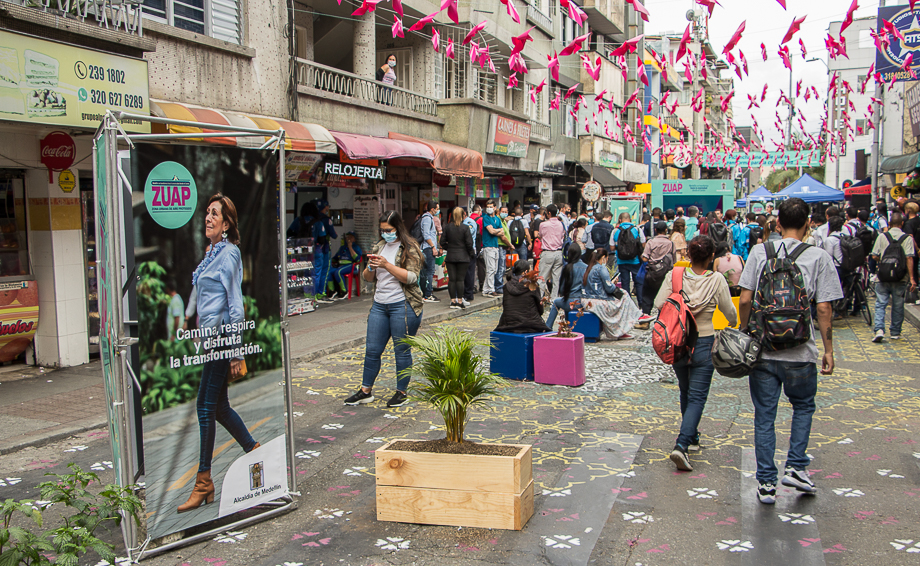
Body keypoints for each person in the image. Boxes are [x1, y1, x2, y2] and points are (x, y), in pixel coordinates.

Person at [738, 197, 842, 505]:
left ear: (778, 223)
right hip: (800, 351)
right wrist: (828, 350)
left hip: (764, 352)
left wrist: (746, 333)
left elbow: (745, 299)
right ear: (809, 223)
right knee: (804, 407)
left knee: (764, 416)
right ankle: (796, 466)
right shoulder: (818, 256)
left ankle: (767, 483)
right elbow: (823, 308)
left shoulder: (760, 252)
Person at [178, 194, 259, 513]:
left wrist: (236, 351)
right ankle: (254, 450)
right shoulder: (211, 252)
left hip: (222, 337)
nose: (208, 218)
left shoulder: (229, 254)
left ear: (226, 224)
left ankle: (203, 481)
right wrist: (186, 318)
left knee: (204, 406)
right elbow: (198, 288)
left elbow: (235, 304)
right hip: (206, 337)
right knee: (220, 407)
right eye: (207, 213)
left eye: (215, 214)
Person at [657, 236, 737, 471]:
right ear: (712, 256)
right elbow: (729, 313)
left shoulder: (675, 275)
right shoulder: (716, 280)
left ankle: (691, 437)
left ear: (688, 255)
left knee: (685, 390)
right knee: (698, 396)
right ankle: (681, 445)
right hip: (704, 341)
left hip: (678, 341)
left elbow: (659, 303)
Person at [344, 211, 424, 408]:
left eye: (389, 230)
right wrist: (370, 267)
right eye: (382, 230)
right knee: (372, 350)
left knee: (401, 351)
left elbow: (411, 278)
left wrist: (387, 265)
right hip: (380, 305)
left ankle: (401, 392)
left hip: (403, 304)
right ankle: (365, 391)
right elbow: (368, 278)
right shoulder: (379, 246)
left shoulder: (409, 247)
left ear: (398, 228)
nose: (385, 234)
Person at [870, 212, 917, 342]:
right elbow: (909, 258)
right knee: (898, 304)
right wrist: (912, 278)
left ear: (889, 224)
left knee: (880, 303)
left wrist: (883, 261)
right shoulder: (907, 238)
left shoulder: (882, 236)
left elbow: (874, 255)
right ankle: (895, 332)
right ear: (902, 224)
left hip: (883, 276)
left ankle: (879, 329)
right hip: (901, 277)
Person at [581, 248, 642, 340]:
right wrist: (613, 283)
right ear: (604, 257)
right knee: (624, 295)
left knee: (623, 295)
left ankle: (635, 318)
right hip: (599, 300)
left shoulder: (589, 268)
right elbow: (609, 289)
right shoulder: (601, 269)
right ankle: (625, 326)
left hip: (587, 300)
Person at [287, 201, 333, 303]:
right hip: (316, 251)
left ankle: (306, 293)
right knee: (316, 274)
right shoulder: (318, 222)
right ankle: (314, 295)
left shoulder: (298, 220)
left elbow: (289, 233)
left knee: (305, 273)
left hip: (302, 251)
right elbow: (322, 238)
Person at [494, 260, 551, 333]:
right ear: (526, 272)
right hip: (530, 324)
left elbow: (506, 306)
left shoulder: (507, 286)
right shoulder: (532, 285)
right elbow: (540, 309)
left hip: (508, 324)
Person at [440, 207, 475, 310]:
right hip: (463, 256)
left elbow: (442, 242)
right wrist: (470, 254)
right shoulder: (465, 228)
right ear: (462, 215)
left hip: (451, 255)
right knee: (460, 280)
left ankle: (453, 301)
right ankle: (460, 301)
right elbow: (469, 244)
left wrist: (449, 248)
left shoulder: (447, 227)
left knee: (452, 280)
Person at [639, 220, 674, 320]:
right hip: (665, 274)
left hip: (651, 273)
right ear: (666, 230)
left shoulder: (651, 242)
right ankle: (661, 319)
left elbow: (645, 258)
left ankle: (646, 318)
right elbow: (674, 260)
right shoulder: (670, 243)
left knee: (647, 297)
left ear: (655, 230)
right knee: (664, 296)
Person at [546, 245, 588, 329]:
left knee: (556, 302)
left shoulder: (567, 267)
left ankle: (547, 327)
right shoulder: (586, 267)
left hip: (570, 300)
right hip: (583, 301)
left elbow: (562, 289)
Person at [611, 212, 646, 298]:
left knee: (625, 282)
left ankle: (627, 302)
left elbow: (611, 248)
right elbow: (643, 244)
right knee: (638, 282)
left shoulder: (615, 231)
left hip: (621, 260)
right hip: (635, 260)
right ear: (630, 219)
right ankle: (640, 303)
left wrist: (619, 248)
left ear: (620, 220)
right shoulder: (637, 230)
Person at [538, 204, 566, 299]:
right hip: (559, 253)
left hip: (547, 252)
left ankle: (540, 299)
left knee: (542, 277)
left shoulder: (543, 224)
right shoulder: (561, 224)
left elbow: (540, 235)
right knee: (556, 279)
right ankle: (554, 301)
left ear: (548, 213)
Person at [327, 232, 363, 300]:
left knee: (338, 272)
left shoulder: (356, 247)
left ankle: (344, 291)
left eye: (351, 237)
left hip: (351, 266)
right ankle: (332, 291)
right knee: (328, 272)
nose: (348, 239)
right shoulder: (342, 247)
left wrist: (350, 247)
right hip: (340, 265)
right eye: (347, 237)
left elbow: (357, 259)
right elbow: (335, 258)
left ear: (354, 239)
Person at [480, 200, 504, 297]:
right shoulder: (485, 218)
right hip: (488, 246)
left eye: (491, 206)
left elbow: (502, 232)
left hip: (495, 246)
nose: (489, 208)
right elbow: (491, 231)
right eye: (487, 206)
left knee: (494, 269)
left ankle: (486, 289)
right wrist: (496, 231)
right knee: (490, 269)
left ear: (495, 207)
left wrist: (495, 231)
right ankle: (491, 289)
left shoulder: (497, 219)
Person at [419, 200, 440, 303]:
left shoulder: (429, 218)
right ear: (432, 209)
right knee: (429, 271)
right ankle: (427, 293)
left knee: (428, 271)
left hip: (428, 247)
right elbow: (426, 235)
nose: (438, 210)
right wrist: (433, 247)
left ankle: (427, 292)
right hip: (428, 248)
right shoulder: (427, 219)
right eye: (437, 208)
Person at [462, 207, 479, 305]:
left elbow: (468, 234)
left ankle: (468, 293)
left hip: (470, 250)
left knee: (469, 273)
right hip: (464, 250)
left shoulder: (469, 222)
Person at [495, 205, 513, 294]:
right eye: (503, 212)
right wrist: (510, 244)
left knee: (502, 267)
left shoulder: (504, 221)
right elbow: (503, 236)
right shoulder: (498, 221)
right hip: (500, 246)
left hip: (504, 247)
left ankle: (500, 285)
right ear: (499, 212)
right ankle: (498, 286)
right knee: (500, 267)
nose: (505, 213)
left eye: (506, 212)